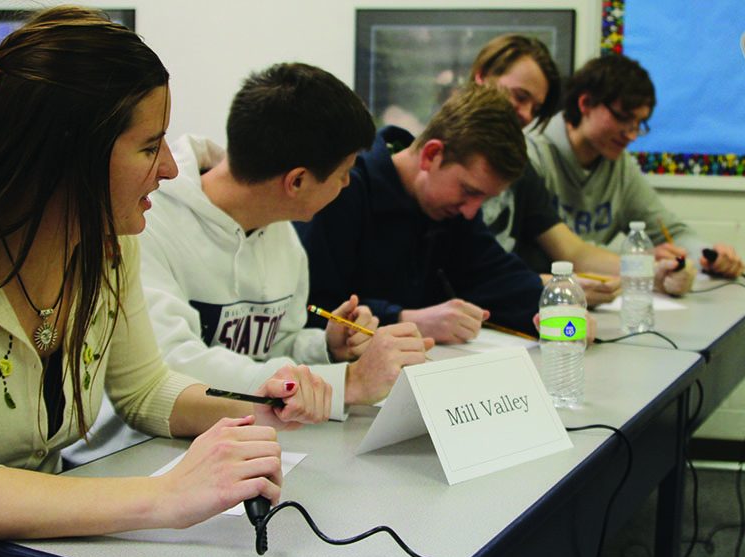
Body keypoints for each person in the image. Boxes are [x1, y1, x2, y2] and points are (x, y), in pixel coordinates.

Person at [0, 8, 327, 557]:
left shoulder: (106, 241)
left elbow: (145, 389)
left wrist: (256, 404)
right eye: (149, 147)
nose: (171, 169)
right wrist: (164, 497)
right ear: (62, 152)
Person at [64, 64, 432, 465]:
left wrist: (323, 345)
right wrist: (347, 383)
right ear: (296, 182)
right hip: (128, 457)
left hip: (236, 445)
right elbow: (174, 367)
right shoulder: (141, 221)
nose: (347, 186)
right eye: (344, 175)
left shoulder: (282, 233)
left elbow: (273, 344)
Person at [295, 84, 545, 345]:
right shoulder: (341, 190)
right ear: (432, 154)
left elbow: (498, 278)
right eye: (469, 191)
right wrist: (403, 319)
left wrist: (561, 311)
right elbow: (310, 308)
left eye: (484, 199)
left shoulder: (453, 211)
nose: (472, 211)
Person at [470, 34, 693, 303]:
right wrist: (552, 286)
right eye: (519, 96)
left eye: (536, 107)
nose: (527, 115)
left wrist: (652, 273)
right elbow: (466, 273)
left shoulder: (521, 167)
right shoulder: (522, 152)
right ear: (481, 77)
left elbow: (574, 252)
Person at [526, 53, 745, 279]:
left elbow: (669, 232)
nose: (631, 134)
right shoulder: (532, 156)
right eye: (623, 118)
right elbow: (566, 254)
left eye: (639, 124)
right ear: (586, 104)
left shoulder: (618, 164)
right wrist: (639, 261)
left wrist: (706, 256)